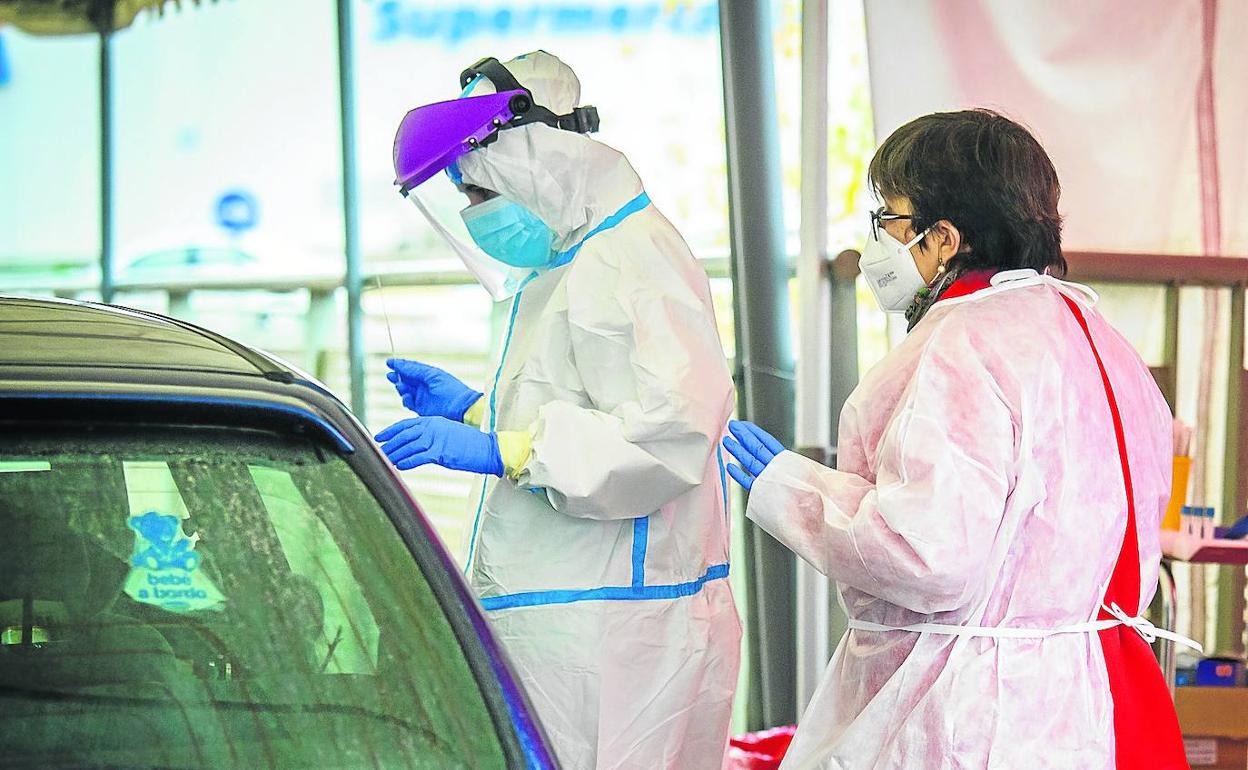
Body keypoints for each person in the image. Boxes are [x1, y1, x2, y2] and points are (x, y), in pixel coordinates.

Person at [722, 110, 1196, 770]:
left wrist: (797, 489)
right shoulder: (1101, 341)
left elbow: (928, 553)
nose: (875, 242)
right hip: (1084, 705)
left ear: (943, 239)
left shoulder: (962, 344)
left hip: (973, 711)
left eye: (888, 216)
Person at [379, 51, 740, 769]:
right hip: (577, 621)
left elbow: (669, 435)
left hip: (618, 636)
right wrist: (481, 412)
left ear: (535, 156)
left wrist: (501, 451)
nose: (478, 217)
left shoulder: (629, 256)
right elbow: (584, 401)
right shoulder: (572, 262)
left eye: (483, 194)